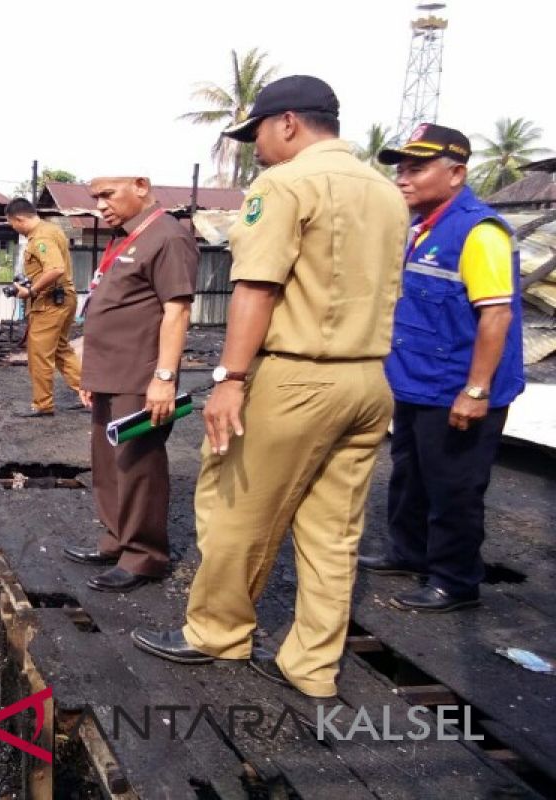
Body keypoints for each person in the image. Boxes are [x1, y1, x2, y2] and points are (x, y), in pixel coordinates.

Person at [130, 75, 409, 700]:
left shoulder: (285, 184)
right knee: (333, 533)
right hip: (368, 379)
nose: (255, 144)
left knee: (235, 509)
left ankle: (216, 633)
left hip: (297, 376)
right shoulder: (388, 194)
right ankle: (311, 666)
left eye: (256, 130)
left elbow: (256, 287)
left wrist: (230, 379)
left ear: (287, 122)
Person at [357, 124, 526, 612]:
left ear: (456, 174)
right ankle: (409, 552)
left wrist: (475, 391)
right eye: (401, 169)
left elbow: (495, 314)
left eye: (417, 169)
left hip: (456, 385)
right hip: (414, 381)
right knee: (410, 473)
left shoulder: (480, 231)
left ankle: (455, 581)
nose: (404, 179)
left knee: (454, 485)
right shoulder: (418, 225)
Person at [61, 175, 198, 592]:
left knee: (138, 464)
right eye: (95, 197)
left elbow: (176, 312)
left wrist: (164, 377)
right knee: (107, 463)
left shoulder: (168, 237)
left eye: (108, 195)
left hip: (141, 375)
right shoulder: (126, 236)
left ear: (140, 185)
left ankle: (144, 556)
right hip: (110, 374)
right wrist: (91, 374)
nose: (100, 205)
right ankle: (117, 539)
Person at [4, 198, 83, 417]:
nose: (14, 228)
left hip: (50, 302)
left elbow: (55, 268)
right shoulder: (52, 229)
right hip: (63, 298)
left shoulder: (41, 236)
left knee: (39, 354)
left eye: (12, 224)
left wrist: (31, 291)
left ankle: (42, 404)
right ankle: (92, 396)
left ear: (19, 219)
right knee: (61, 350)